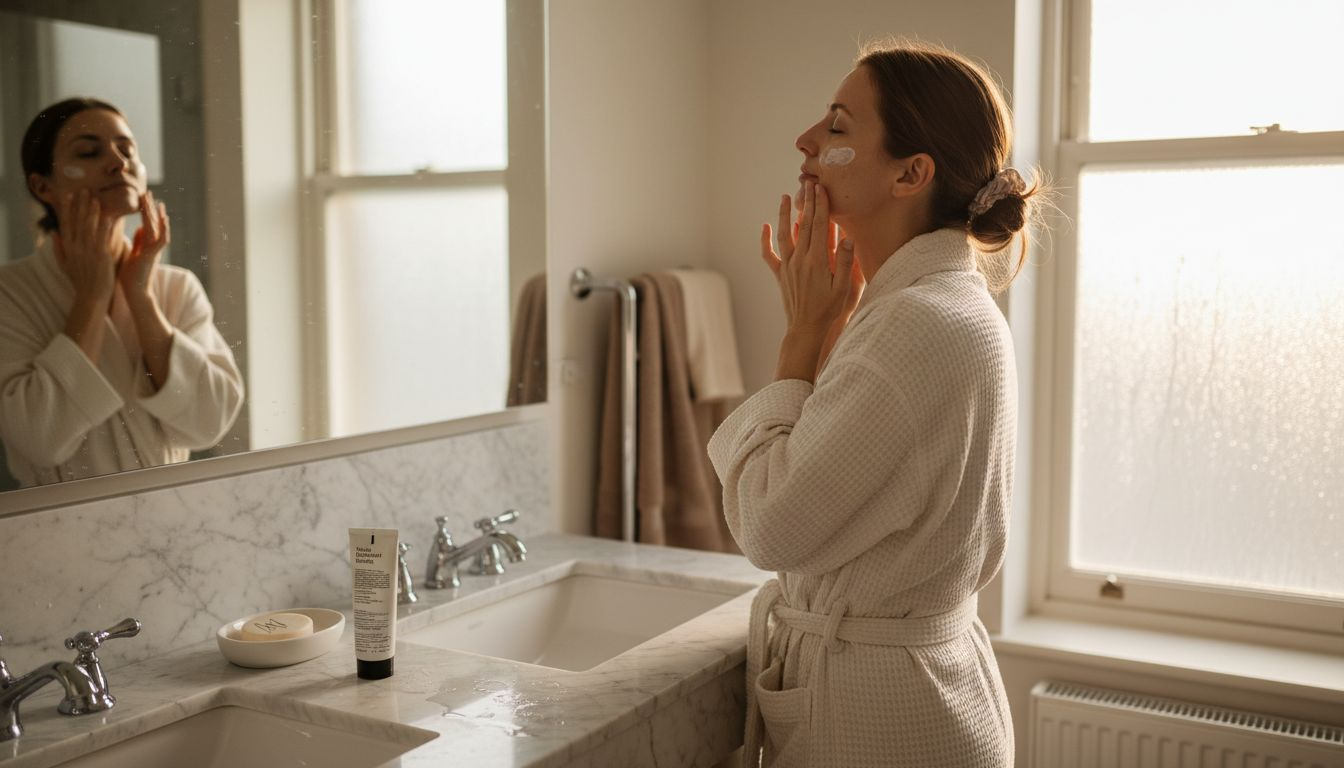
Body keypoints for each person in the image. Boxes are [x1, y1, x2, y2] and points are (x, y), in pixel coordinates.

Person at [707, 40, 1044, 767]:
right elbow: (849, 489)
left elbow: (770, 526)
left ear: (910, 173)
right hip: (923, 692)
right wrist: (831, 326)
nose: (803, 141)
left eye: (835, 127)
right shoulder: (941, 304)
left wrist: (801, 336)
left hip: (883, 720)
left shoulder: (917, 323)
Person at [0, 98, 243, 487]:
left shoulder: (176, 288)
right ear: (42, 185)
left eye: (127, 149)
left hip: (173, 521)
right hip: (59, 533)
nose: (119, 162)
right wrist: (92, 299)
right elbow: (40, 439)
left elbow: (210, 424)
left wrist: (141, 296)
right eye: (89, 152)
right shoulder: (9, 294)